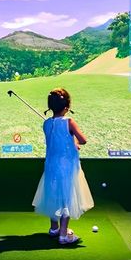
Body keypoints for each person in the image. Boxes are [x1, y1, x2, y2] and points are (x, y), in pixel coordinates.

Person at [32, 88, 94, 245]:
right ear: (67, 106)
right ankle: (64, 235)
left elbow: (56, 141)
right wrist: (75, 142)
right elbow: (83, 140)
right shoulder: (69, 122)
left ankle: (54, 229)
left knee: (53, 193)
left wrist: (72, 142)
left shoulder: (46, 123)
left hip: (51, 165)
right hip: (67, 166)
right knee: (66, 197)